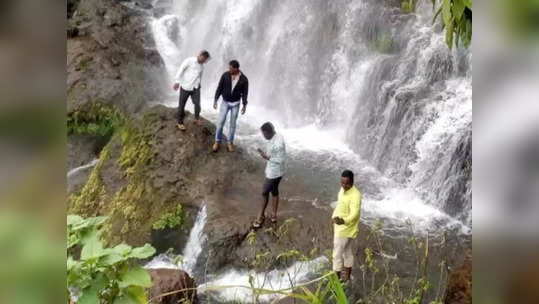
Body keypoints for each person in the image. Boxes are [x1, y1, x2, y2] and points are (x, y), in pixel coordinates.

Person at [253, 122, 286, 228]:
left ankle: (261, 215)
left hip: (275, 172)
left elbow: (281, 159)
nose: (263, 136)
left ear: (268, 132)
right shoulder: (275, 137)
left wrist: (267, 157)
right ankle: (274, 215)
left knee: (264, 192)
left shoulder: (278, 143)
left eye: (264, 134)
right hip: (275, 170)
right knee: (274, 191)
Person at [332, 170, 362, 283]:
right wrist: (334, 216)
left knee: (336, 255)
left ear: (352, 181)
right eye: (342, 183)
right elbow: (340, 204)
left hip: (345, 228)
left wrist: (343, 221)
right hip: (341, 226)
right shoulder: (343, 189)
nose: (344, 186)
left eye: (347, 183)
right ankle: (347, 279)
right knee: (347, 252)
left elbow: (354, 214)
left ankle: (337, 282)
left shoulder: (356, 195)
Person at [212, 60, 249, 152]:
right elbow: (219, 87)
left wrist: (244, 105)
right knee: (220, 121)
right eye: (229, 68)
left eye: (231, 68)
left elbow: (245, 93)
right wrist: (215, 99)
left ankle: (230, 143)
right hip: (225, 102)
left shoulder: (244, 79)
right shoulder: (225, 75)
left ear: (236, 68)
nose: (229, 70)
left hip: (236, 104)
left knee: (232, 124)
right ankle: (217, 141)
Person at [173, 50, 210, 131]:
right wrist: (177, 82)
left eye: (205, 60)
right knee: (182, 105)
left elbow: (200, 76)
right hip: (185, 87)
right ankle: (180, 123)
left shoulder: (202, 66)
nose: (203, 61)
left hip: (195, 87)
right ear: (199, 55)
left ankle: (196, 118)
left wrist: (199, 84)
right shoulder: (189, 60)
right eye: (203, 59)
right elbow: (181, 70)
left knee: (197, 104)